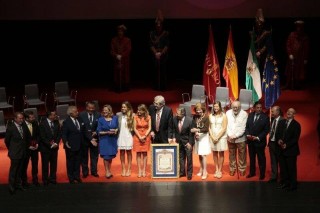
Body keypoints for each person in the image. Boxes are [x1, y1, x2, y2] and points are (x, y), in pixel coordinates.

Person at [275, 108, 301, 191]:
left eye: (291, 112)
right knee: (283, 168)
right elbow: (277, 133)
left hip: (291, 151)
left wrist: (287, 145)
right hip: (281, 150)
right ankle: (285, 183)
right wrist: (278, 140)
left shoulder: (296, 125)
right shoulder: (282, 122)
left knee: (291, 168)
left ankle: (293, 185)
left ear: (294, 115)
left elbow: (295, 138)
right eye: (288, 111)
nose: (289, 113)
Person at [5, 112, 30, 194]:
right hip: (15, 153)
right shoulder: (10, 128)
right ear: (15, 119)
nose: (21, 120)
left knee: (20, 170)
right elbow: (7, 141)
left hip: (23, 152)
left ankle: (19, 185)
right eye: (20, 118)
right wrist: (12, 149)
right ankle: (11, 188)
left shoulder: (24, 126)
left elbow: (26, 137)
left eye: (22, 118)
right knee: (13, 171)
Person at [62, 105, 87, 184]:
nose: (77, 112)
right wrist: (65, 142)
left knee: (78, 161)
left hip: (80, 145)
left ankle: (77, 176)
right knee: (70, 162)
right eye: (75, 112)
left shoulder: (80, 119)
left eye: (77, 111)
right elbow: (64, 134)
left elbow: (84, 130)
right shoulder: (66, 122)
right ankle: (71, 177)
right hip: (71, 146)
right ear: (70, 113)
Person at [245, 102, 270, 180]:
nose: (259, 109)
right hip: (251, 141)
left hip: (259, 142)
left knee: (261, 158)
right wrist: (248, 134)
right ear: (254, 108)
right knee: (252, 158)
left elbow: (266, 130)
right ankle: (252, 173)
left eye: (260, 107)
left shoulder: (265, 117)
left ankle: (262, 174)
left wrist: (258, 137)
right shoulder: (250, 115)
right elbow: (247, 127)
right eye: (257, 107)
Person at [168, 107, 194, 180]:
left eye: (178, 114)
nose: (176, 115)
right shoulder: (174, 119)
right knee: (181, 158)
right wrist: (173, 137)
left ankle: (189, 173)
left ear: (183, 114)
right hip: (179, 142)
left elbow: (191, 133)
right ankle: (182, 172)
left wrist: (190, 143)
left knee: (189, 158)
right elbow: (173, 129)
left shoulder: (190, 120)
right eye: (176, 113)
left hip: (187, 142)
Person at [284, 20, 310, 90]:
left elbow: (306, 48)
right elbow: (288, 45)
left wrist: (305, 58)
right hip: (292, 56)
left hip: (300, 57)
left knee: (298, 71)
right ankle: (288, 84)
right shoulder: (292, 34)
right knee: (290, 70)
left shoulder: (305, 37)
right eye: (298, 26)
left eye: (300, 27)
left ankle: (297, 84)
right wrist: (290, 54)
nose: (299, 28)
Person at [39, 110, 61, 185]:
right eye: (54, 115)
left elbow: (59, 134)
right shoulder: (42, 124)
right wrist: (50, 144)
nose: (56, 116)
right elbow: (42, 137)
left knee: (54, 164)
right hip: (45, 148)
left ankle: (53, 178)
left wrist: (56, 143)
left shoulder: (56, 122)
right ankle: (45, 180)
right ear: (49, 116)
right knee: (45, 165)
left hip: (55, 147)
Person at [226, 100, 248, 177]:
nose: (235, 109)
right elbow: (227, 125)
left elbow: (243, 128)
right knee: (231, 155)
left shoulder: (244, 114)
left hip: (240, 138)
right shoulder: (228, 113)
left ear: (240, 107)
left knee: (242, 155)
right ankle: (232, 169)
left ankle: (242, 169)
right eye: (233, 107)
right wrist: (229, 135)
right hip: (230, 137)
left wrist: (235, 135)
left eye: (237, 107)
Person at [79, 101, 100, 178]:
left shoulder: (98, 114)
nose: (91, 109)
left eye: (92, 108)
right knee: (84, 156)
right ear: (86, 107)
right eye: (89, 108)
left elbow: (100, 125)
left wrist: (97, 131)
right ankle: (85, 172)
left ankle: (94, 171)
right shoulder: (81, 115)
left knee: (94, 156)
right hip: (84, 139)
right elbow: (82, 129)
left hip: (95, 139)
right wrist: (90, 138)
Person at [149, 9, 169, 91]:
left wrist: (161, 53)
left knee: (163, 70)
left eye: (159, 25)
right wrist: (155, 53)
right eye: (157, 25)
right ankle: (156, 86)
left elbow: (167, 45)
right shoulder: (152, 34)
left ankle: (163, 86)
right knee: (155, 70)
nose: (158, 26)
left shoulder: (166, 33)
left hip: (163, 54)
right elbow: (151, 45)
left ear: (162, 25)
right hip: (155, 54)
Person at [97, 104, 118, 178]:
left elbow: (117, 127)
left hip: (112, 140)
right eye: (104, 110)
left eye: (106, 110)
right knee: (106, 156)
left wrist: (116, 130)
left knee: (111, 156)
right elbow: (99, 131)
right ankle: (107, 171)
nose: (104, 111)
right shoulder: (100, 119)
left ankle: (109, 170)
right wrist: (107, 132)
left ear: (110, 111)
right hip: (104, 140)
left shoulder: (115, 118)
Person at [191, 102, 211, 180]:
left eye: (199, 110)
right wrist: (196, 133)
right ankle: (201, 169)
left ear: (203, 109)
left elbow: (206, 129)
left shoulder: (206, 117)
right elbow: (193, 126)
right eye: (197, 110)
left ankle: (205, 171)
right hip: (197, 137)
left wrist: (197, 130)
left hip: (204, 137)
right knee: (199, 154)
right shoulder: (195, 117)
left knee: (203, 155)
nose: (198, 112)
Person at [208, 101, 228, 179]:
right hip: (213, 137)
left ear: (220, 107)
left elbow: (224, 128)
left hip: (221, 137)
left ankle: (220, 170)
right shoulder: (210, 116)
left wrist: (217, 137)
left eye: (217, 106)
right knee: (215, 153)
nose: (216, 108)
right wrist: (212, 137)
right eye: (214, 106)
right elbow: (209, 127)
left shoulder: (224, 116)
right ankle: (216, 169)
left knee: (221, 154)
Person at [21, 110, 40, 187]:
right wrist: (28, 146)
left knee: (35, 165)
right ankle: (24, 181)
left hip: (35, 148)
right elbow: (22, 138)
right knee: (24, 166)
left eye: (33, 117)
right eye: (31, 117)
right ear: (26, 118)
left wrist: (37, 143)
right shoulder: (22, 125)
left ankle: (35, 180)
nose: (33, 118)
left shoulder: (35, 123)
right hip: (26, 149)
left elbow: (38, 134)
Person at [250, 8, 272, 75]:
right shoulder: (253, 33)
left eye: (260, 24)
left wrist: (260, 52)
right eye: (257, 24)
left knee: (262, 68)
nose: (259, 25)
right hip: (254, 53)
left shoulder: (265, 33)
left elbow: (267, 44)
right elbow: (252, 44)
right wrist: (255, 51)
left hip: (263, 54)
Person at [111, 24, 132, 92]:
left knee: (125, 74)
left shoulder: (127, 40)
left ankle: (125, 87)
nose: (120, 32)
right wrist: (116, 55)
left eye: (121, 31)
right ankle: (117, 87)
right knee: (116, 74)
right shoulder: (113, 40)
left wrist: (122, 55)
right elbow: (112, 50)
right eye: (119, 31)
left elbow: (128, 50)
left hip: (124, 60)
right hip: (117, 59)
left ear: (123, 32)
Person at [133, 104, 152, 178]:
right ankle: (139, 171)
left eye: (140, 110)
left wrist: (144, 136)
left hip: (146, 136)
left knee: (144, 154)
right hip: (137, 136)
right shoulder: (135, 117)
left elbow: (149, 128)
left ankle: (144, 170)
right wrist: (140, 137)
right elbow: (134, 128)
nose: (138, 111)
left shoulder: (148, 117)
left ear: (144, 111)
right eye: (138, 110)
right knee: (138, 154)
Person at [116, 101, 134, 177]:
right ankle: (123, 169)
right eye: (122, 107)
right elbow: (115, 124)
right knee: (122, 152)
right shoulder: (118, 115)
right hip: (121, 136)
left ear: (128, 108)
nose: (123, 108)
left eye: (124, 107)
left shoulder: (133, 115)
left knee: (129, 152)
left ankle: (129, 169)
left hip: (129, 136)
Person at [267, 105, 284, 183]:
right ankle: (274, 177)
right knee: (273, 161)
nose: (271, 112)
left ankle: (282, 178)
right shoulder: (273, 120)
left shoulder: (283, 121)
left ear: (278, 112)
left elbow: (284, 134)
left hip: (278, 145)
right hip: (272, 144)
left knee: (280, 161)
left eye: (273, 111)